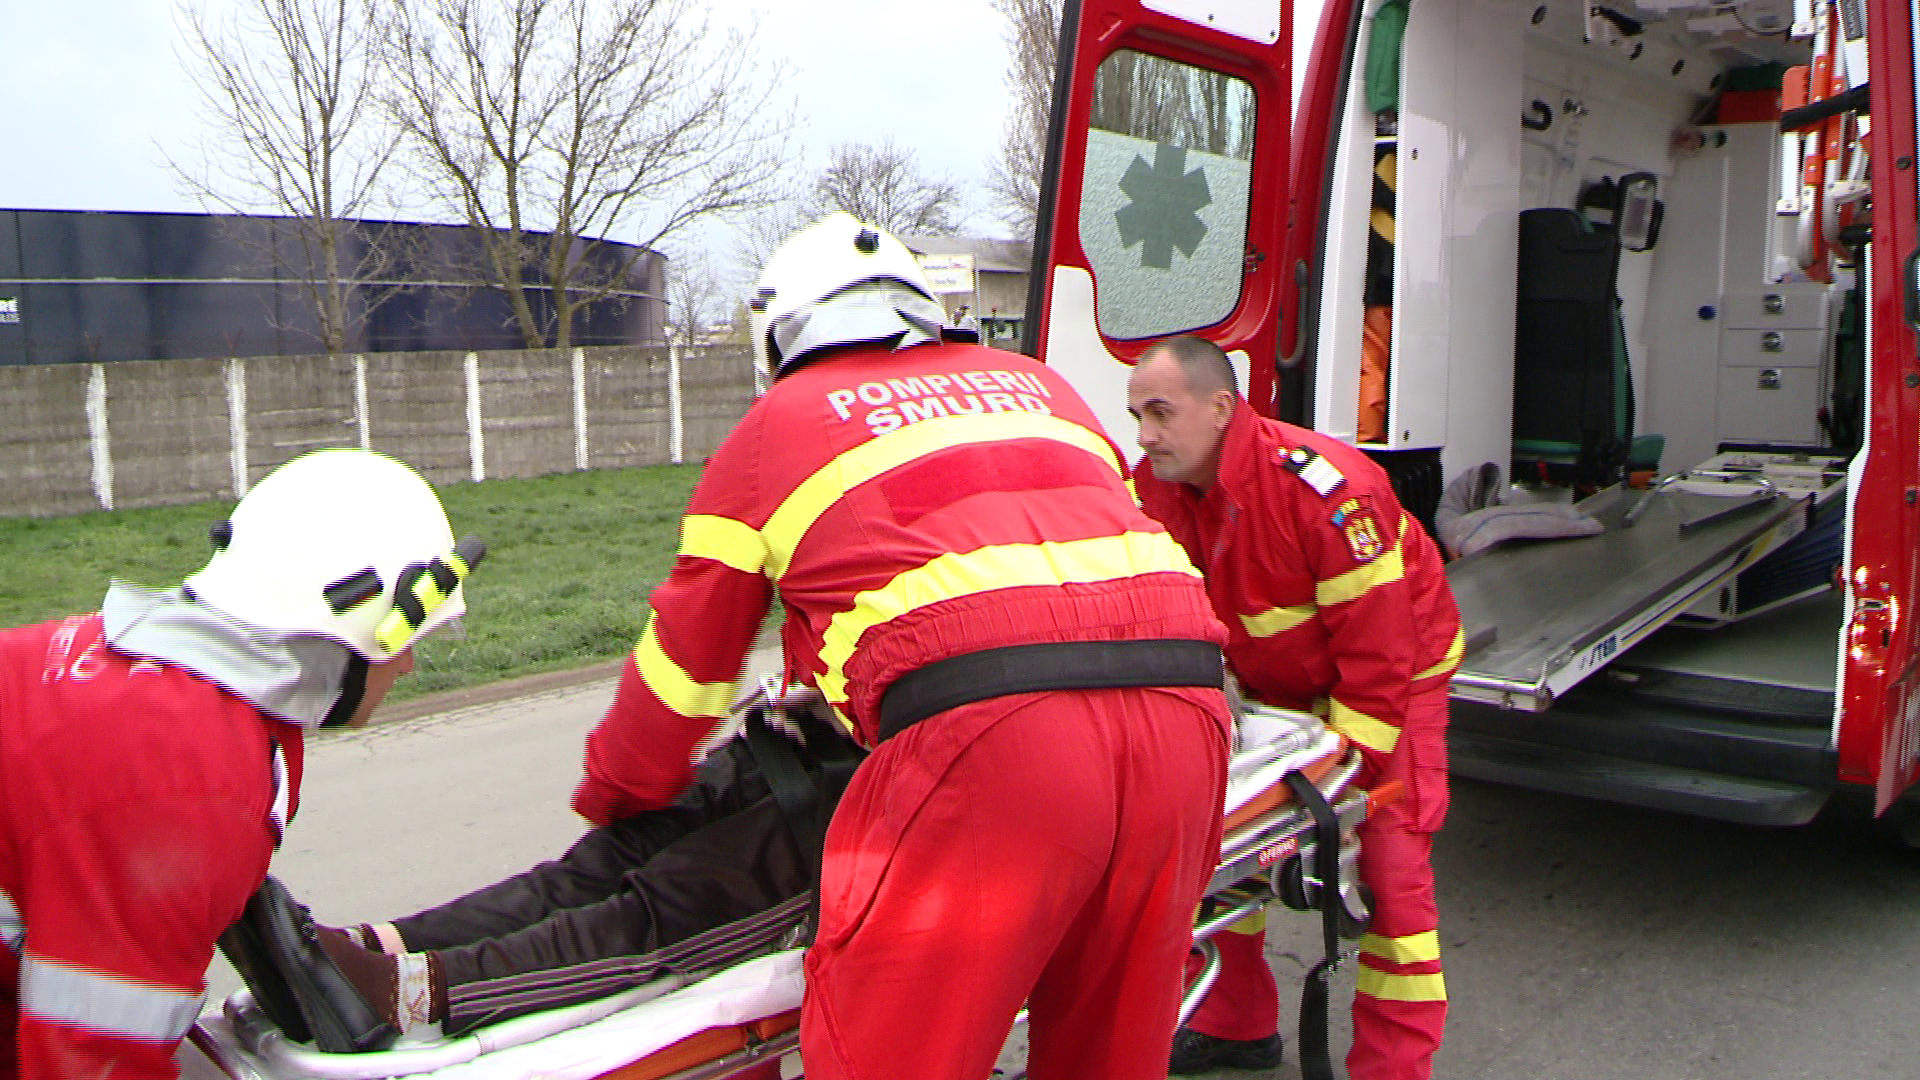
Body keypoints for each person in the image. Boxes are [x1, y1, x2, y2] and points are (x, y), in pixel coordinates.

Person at [576, 213, 1233, 1080]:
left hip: (995, 750)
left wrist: (622, 802)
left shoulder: (778, 429)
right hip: (1187, 720)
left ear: (783, 336)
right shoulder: (1040, 387)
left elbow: (683, 673)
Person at [0, 448, 481, 1078]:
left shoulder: (161, 676)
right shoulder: (190, 790)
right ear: (357, 626)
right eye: (410, 641)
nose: (409, 665)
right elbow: (95, 1059)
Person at [1127, 336, 1462, 1080]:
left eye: (1160, 412)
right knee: (1215, 846)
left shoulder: (1329, 492)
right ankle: (1236, 1024)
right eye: (1136, 416)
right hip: (1271, 687)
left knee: (1389, 873)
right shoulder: (1148, 492)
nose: (1145, 435)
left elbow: (1380, 656)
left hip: (1391, 681)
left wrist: (1338, 789)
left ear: (1221, 408)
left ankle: (1393, 1068)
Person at [223, 718, 830, 1053]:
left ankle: (396, 991)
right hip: (799, 734)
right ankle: (374, 947)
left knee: (664, 910)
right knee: (594, 871)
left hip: (879, 774)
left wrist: (624, 775)